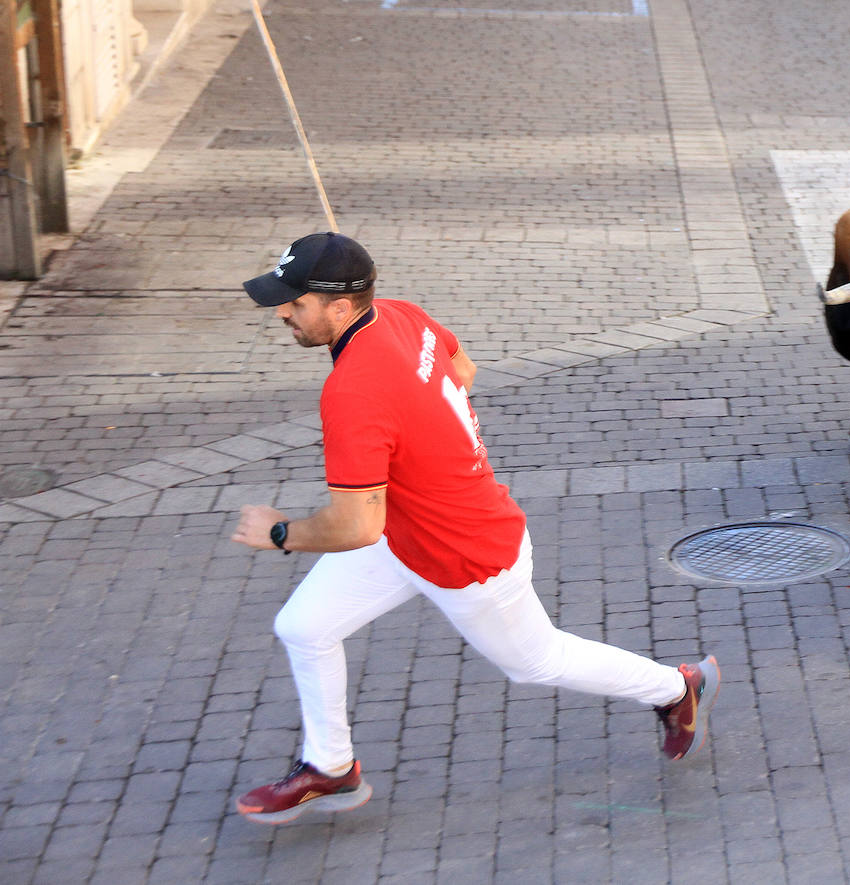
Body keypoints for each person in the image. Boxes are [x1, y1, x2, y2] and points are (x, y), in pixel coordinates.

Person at [231, 232, 719, 824]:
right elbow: (462, 369)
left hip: (465, 555)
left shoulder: (354, 390)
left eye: (295, 301)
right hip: (405, 531)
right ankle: (332, 768)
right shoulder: (398, 314)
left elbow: (355, 526)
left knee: (535, 663)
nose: (283, 311)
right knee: (303, 626)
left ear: (340, 306)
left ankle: (676, 687)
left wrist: (281, 533)